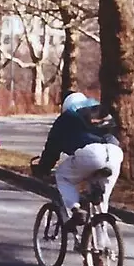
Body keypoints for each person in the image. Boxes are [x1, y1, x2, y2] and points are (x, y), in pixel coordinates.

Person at [35, 93, 123, 222]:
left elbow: (52, 147)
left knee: (62, 175)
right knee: (102, 202)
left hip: (91, 153)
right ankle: (102, 237)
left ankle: (74, 209)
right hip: (115, 153)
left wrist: (43, 168)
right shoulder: (100, 110)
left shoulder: (67, 116)